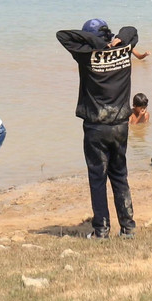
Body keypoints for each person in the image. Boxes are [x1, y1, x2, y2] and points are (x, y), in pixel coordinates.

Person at [56, 18, 139, 239]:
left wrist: (96, 43)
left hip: (96, 126)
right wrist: (115, 38)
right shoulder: (123, 50)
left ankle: (102, 230)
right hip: (121, 125)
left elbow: (63, 35)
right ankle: (128, 228)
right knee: (120, 176)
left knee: (97, 178)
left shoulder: (86, 55)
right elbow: (131, 30)